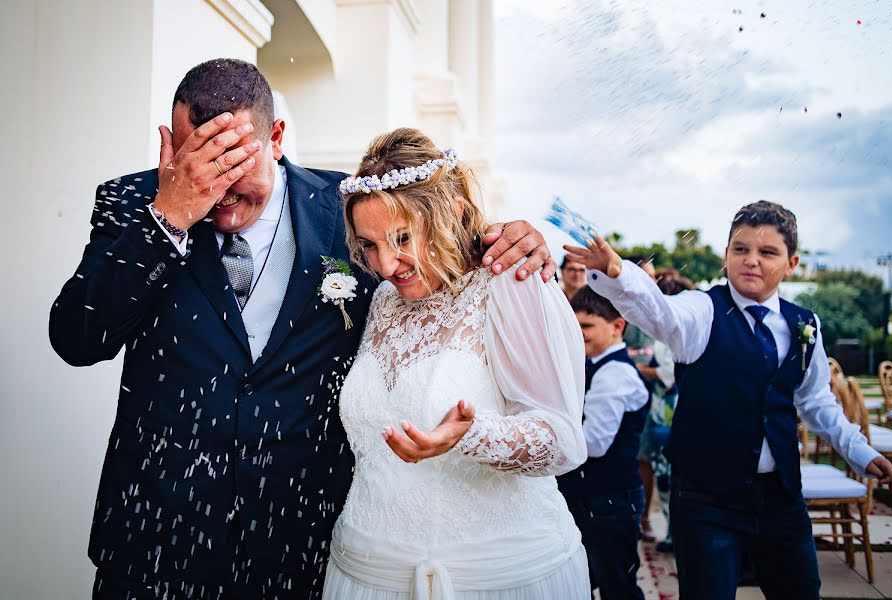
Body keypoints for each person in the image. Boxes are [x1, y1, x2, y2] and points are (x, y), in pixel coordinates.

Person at [49, 59, 556, 600]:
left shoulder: (351, 209)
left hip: (303, 547)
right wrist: (167, 217)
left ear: (278, 138)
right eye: (200, 158)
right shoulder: (132, 203)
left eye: (233, 162)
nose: (218, 189)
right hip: (156, 549)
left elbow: (436, 258)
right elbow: (78, 339)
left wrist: (510, 239)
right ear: (171, 143)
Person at [565, 200, 892, 600]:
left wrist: (859, 451)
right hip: (707, 502)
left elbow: (815, 401)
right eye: (740, 249)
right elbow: (660, 313)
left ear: (791, 264)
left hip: (780, 498)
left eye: (767, 252)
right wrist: (619, 272)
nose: (751, 261)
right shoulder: (703, 309)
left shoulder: (804, 324)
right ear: (726, 256)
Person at [322, 128, 591, 599]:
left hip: (491, 577)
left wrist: (474, 435)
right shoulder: (384, 299)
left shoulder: (512, 281)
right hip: (367, 572)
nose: (386, 264)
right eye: (369, 245)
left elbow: (563, 441)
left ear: (454, 213)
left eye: (402, 237)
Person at [557, 287, 649, 600]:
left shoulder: (615, 374)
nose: (579, 333)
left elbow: (594, 443)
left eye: (587, 326)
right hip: (592, 498)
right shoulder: (593, 365)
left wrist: (546, 443)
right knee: (585, 580)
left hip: (608, 501)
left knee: (616, 586)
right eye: (575, 325)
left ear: (617, 326)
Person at [635, 269, 695, 553]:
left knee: (670, 470)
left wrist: (641, 369)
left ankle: (677, 530)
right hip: (663, 409)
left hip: (672, 409)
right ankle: (675, 528)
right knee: (663, 470)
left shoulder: (674, 334)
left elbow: (669, 372)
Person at [622, 254, 657, 541]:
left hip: (650, 391)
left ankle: (644, 516)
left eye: (653, 277)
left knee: (644, 456)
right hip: (618, 385)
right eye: (647, 276)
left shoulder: (654, 310)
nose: (652, 282)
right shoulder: (618, 306)